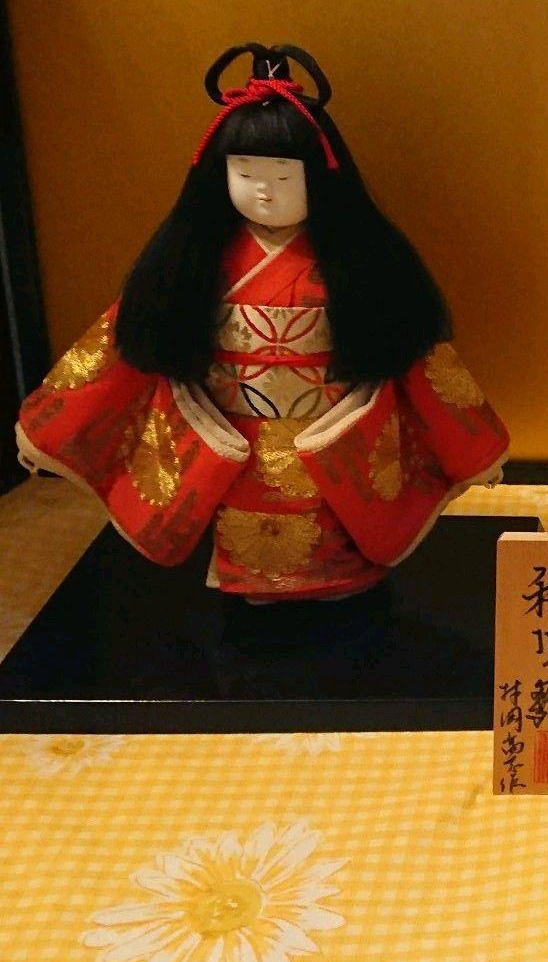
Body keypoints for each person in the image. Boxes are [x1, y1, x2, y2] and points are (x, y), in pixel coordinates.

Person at [17, 43, 509, 601]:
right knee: (247, 531)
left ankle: (340, 583)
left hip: (331, 432)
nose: (263, 190)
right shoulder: (198, 262)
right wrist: (50, 427)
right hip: (238, 436)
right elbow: (121, 347)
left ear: (320, 177)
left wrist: (472, 447)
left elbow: (421, 361)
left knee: (337, 533)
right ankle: (253, 586)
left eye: (283, 175)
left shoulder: (356, 264)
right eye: (245, 172)